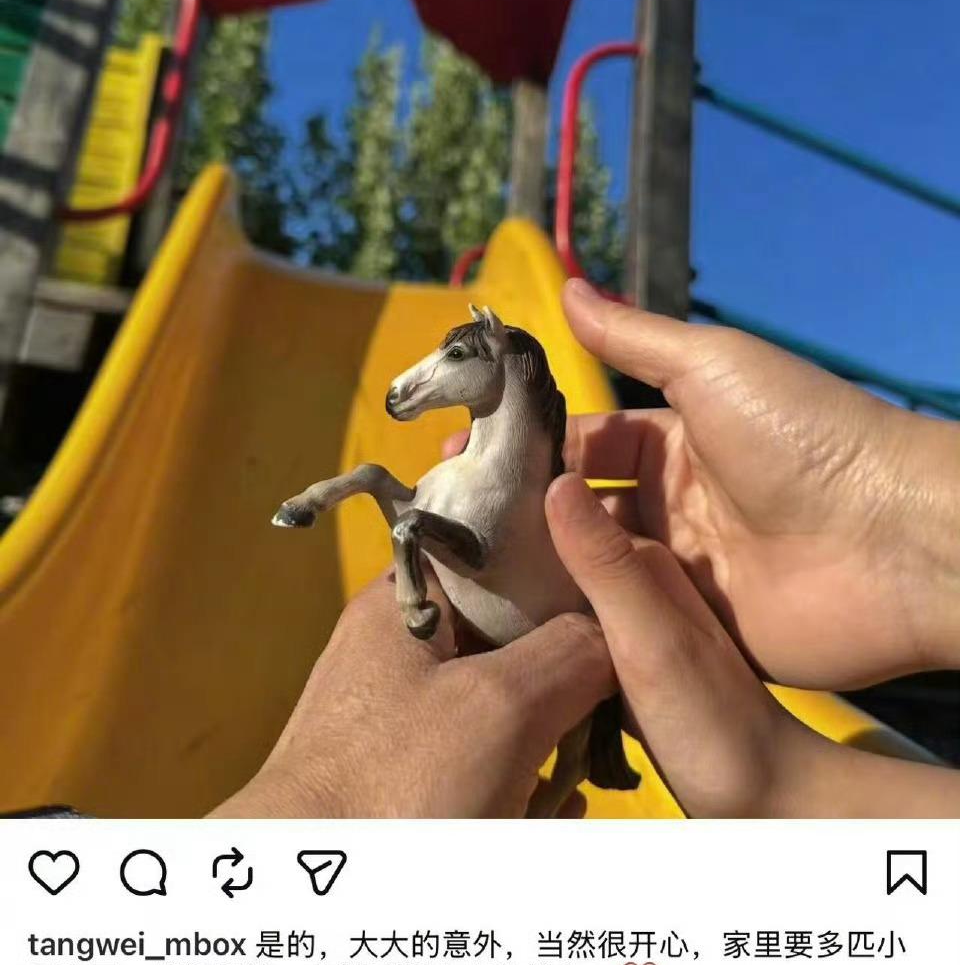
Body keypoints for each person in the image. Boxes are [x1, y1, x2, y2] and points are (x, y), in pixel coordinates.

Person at [214, 279, 960, 819]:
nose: (420, 384)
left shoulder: (520, 486)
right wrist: (900, 523)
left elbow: (441, 534)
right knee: (390, 491)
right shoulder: (464, 471)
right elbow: (400, 496)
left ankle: (576, 768)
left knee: (416, 528)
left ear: (495, 361)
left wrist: (771, 786)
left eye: (455, 360)